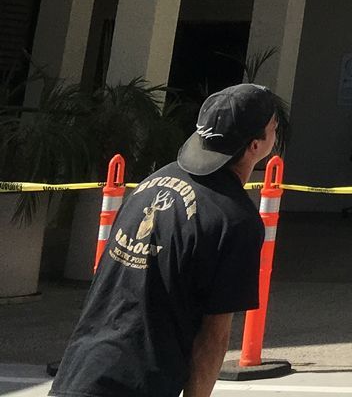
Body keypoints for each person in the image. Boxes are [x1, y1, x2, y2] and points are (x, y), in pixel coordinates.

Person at [51, 84, 282, 397]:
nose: (277, 130)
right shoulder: (235, 220)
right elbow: (213, 336)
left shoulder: (151, 183)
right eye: (273, 126)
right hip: (141, 385)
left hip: (77, 374)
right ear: (255, 146)